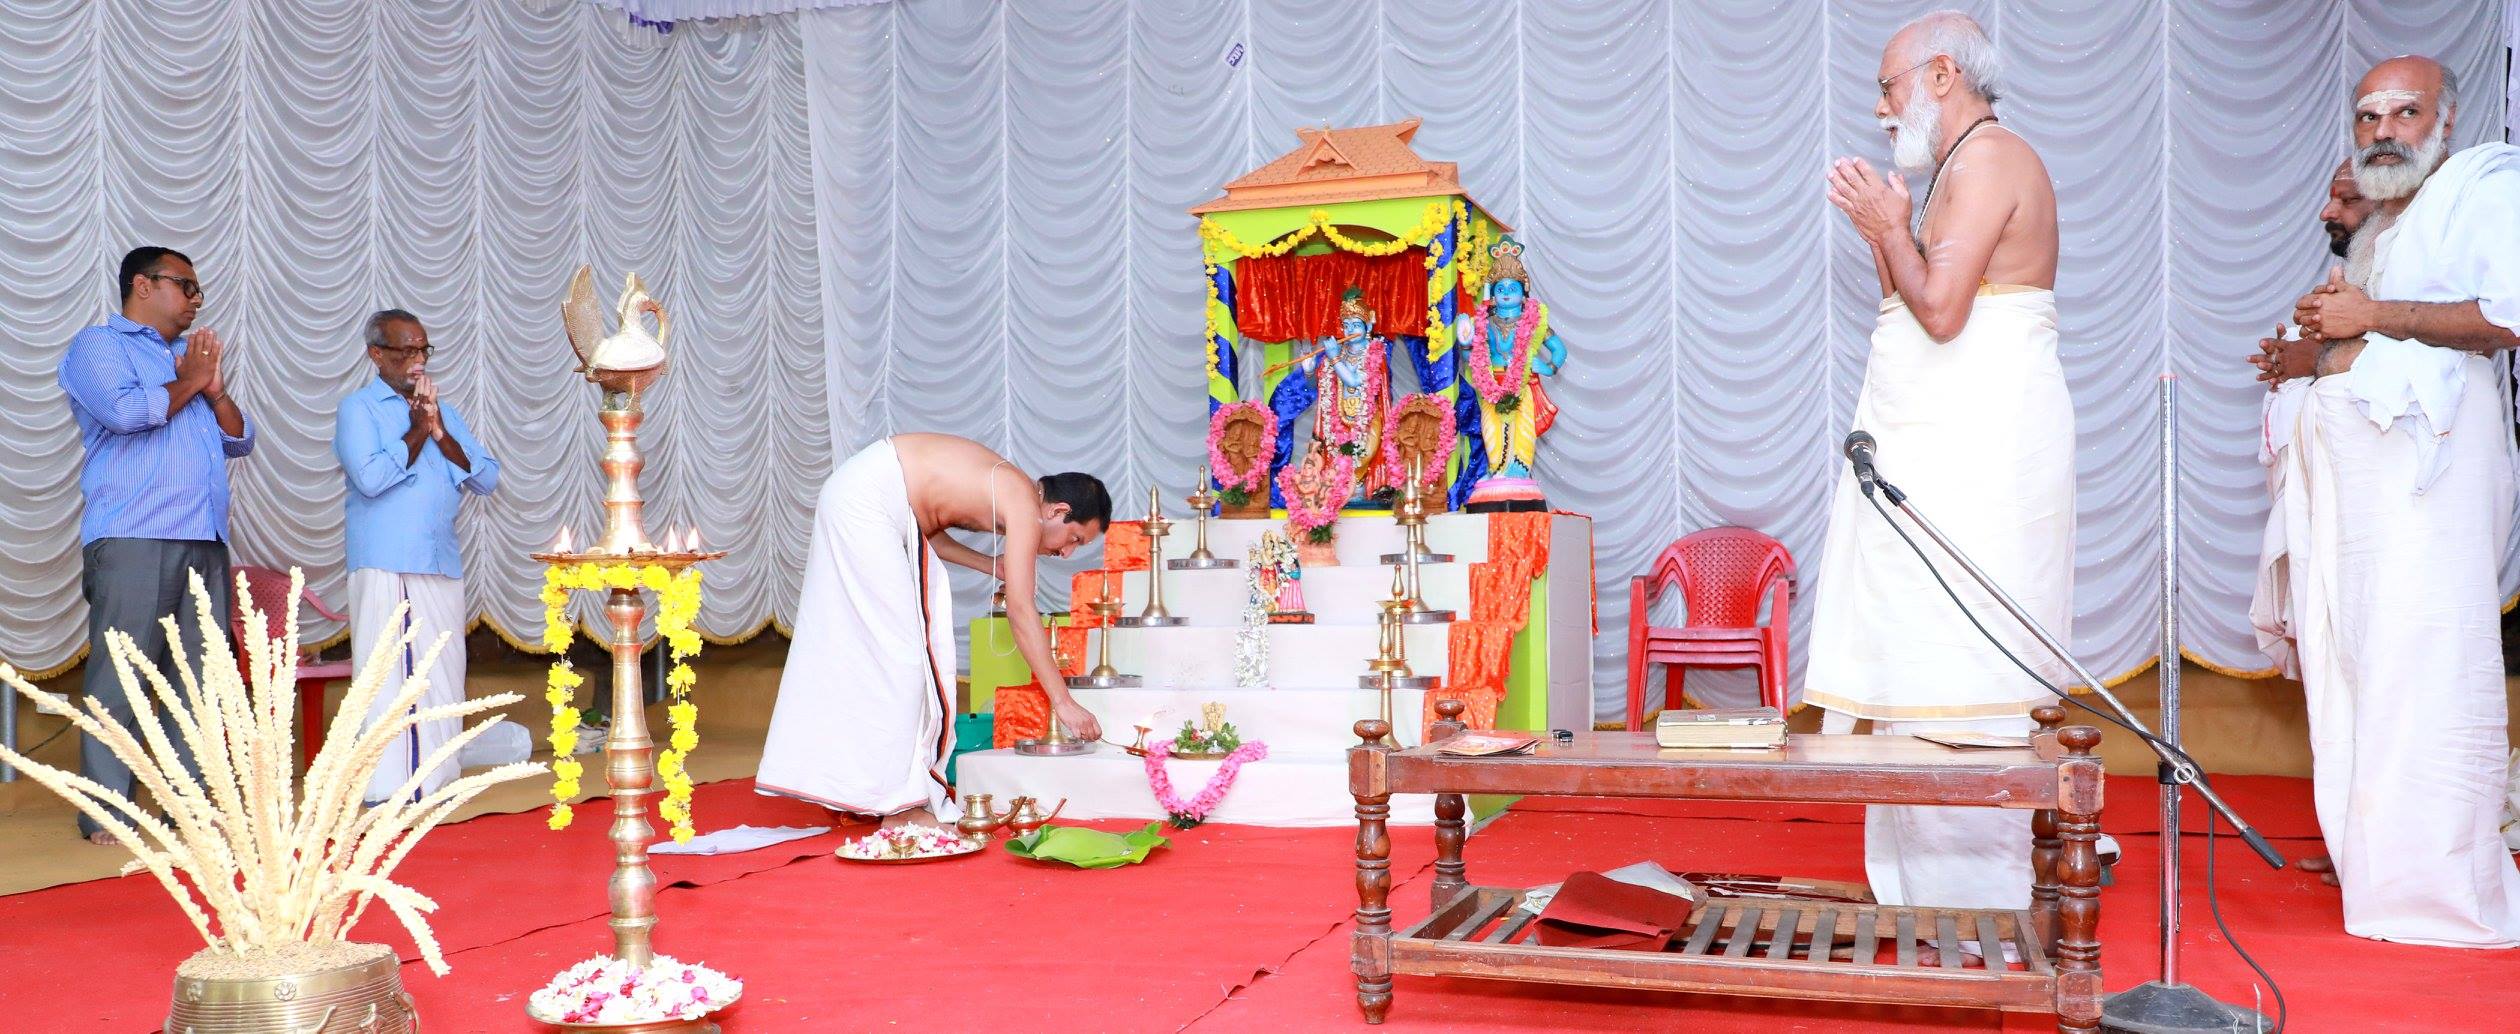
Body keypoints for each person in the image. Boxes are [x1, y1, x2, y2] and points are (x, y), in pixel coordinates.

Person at [2249, 55, 2520, 948]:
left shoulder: (2484, 186)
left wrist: (2369, 319)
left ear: (2446, 121)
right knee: (2362, 673)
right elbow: (2384, 337)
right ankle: (2382, 873)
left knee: (2426, 674)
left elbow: (2506, 314)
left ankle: (2442, 894)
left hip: (2429, 476)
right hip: (2370, 488)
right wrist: (2313, 356)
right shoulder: (2392, 222)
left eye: (2405, 112)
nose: (2383, 132)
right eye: (2367, 117)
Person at [1807, 10, 2072, 918]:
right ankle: (1925, 895)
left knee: (1963, 654)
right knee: (1918, 646)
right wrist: (1884, 230)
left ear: (1943, 75)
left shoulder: (1992, 157)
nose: (1882, 107)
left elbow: (1945, 312)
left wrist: (1889, 225)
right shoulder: (1957, 166)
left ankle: (1982, 897)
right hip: (1947, 440)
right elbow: (1916, 291)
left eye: (1890, 87)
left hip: (1983, 449)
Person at [759, 433, 1109, 827]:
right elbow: (1021, 611)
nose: (1066, 553)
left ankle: (856, 796)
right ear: (1058, 510)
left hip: (866, 494)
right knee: (905, 660)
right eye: (1074, 539)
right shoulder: (1025, 504)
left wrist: (990, 565)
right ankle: (900, 806)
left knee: (870, 655)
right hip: (868, 500)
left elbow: (928, 529)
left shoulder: (1012, 491)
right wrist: (1062, 701)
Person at [56, 246, 255, 846]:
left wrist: (214, 391)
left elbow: (240, 441)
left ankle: (188, 808)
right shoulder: (99, 347)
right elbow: (125, 412)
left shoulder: (182, 360)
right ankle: (110, 813)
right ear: (143, 285)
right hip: (135, 536)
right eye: (186, 286)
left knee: (196, 680)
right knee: (122, 676)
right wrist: (190, 380)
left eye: (198, 290)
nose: (196, 300)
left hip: (204, 539)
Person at [2246, 158, 2379, 886]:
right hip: (2337, 509)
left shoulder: (2402, 275)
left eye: (2346, 199)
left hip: (2390, 517)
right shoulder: (2349, 277)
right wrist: (2299, 362)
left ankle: (2385, 848)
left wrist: (2314, 357)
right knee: (2339, 677)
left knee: (2375, 676)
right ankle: (2352, 839)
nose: (2329, 210)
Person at [334, 310, 500, 805]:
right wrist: (416, 430)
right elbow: (370, 479)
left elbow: (487, 478)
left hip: (440, 559)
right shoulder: (358, 410)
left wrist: (440, 430)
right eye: (405, 350)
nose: (416, 360)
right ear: (376, 355)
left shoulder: (442, 411)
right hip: (388, 560)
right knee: (390, 675)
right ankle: (390, 787)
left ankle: (438, 776)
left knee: (443, 668)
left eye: (423, 350)